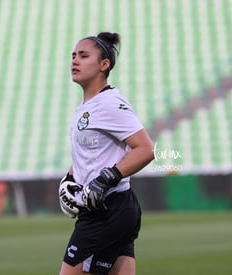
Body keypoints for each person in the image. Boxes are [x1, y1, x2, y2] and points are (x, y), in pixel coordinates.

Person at [58, 32, 155, 275]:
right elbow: (91, 153)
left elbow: (145, 149)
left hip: (107, 209)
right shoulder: (87, 106)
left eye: (83, 55)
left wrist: (105, 179)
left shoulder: (109, 103)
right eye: (73, 56)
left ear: (104, 64)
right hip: (114, 208)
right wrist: (69, 180)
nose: (74, 61)